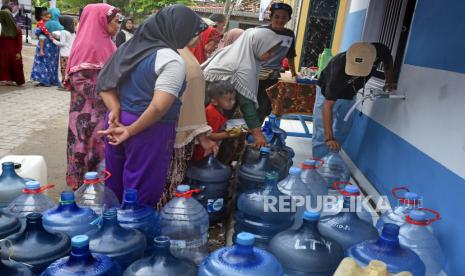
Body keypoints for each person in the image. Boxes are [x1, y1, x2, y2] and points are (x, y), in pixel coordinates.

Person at [97, 5, 208, 205]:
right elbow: (158, 107)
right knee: (141, 187)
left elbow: (105, 83)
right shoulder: (172, 60)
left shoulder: (129, 48)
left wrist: (114, 109)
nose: (193, 37)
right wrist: (130, 131)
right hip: (148, 128)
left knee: (113, 181)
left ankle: (111, 227)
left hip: (116, 121)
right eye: (190, 31)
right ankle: (134, 232)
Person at [64, 3, 121, 189]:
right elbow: (78, 81)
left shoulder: (109, 44)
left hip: (105, 110)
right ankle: (81, 188)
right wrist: (107, 96)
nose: (117, 26)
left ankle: (98, 188)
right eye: (114, 21)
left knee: (101, 149)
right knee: (83, 146)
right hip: (86, 111)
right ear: (101, 21)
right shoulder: (87, 45)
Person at [157, 46, 218, 209]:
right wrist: (202, 137)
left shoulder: (154, 51)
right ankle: (166, 216)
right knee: (168, 181)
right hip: (174, 132)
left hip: (145, 129)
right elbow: (192, 102)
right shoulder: (186, 61)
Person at [312, 42, 396, 158]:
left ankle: (331, 159)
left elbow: (388, 59)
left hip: (350, 93)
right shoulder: (338, 70)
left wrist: (388, 81)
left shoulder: (377, 51)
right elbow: (327, 106)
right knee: (322, 129)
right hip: (327, 93)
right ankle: (318, 162)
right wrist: (330, 138)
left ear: (373, 60)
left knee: (344, 127)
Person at [202, 27, 282, 150]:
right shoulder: (242, 66)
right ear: (257, 45)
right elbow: (247, 104)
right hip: (208, 115)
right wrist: (257, 135)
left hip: (207, 111)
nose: (271, 55)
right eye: (269, 51)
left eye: (273, 52)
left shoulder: (235, 53)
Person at [256, 3, 298, 122]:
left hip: (272, 76)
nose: (280, 20)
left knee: (265, 106)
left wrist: (294, 73)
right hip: (255, 74)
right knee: (251, 105)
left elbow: (290, 55)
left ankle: (255, 133)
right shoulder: (260, 31)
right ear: (271, 17)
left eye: (284, 17)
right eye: (277, 16)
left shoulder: (289, 34)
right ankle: (246, 135)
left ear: (288, 19)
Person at [193, 80, 238, 161]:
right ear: (215, 101)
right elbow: (210, 135)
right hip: (202, 151)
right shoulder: (212, 114)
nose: (233, 102)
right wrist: (231, 133)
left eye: (233, 99)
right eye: (229, 100)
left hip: (209, 148)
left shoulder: (218, 109)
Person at [30, 9, 62, 87]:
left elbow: (37, 32)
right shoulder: (58, 24)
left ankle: (44, 80)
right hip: (55, 47)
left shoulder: (45, 24)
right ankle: (52, 80)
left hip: (44, 46)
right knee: (53, 63)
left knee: (42, 62)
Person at [0, 10, 25, 86]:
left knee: (15, 65)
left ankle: (16, 80)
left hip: (13, 51)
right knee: (4, 64)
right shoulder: (2, 27)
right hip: (4, 50)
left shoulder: (17, 28)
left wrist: (18, 52)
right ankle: (8, 80)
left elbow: (19, 41)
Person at [53, 15, 76, 86]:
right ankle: (69, 83)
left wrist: (53, 40)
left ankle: (64, 84)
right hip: (71, 53)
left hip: (64, 53)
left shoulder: (63, 32)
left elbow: (62, 43)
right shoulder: (73, 32)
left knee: (63, 69)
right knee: (69, 69)